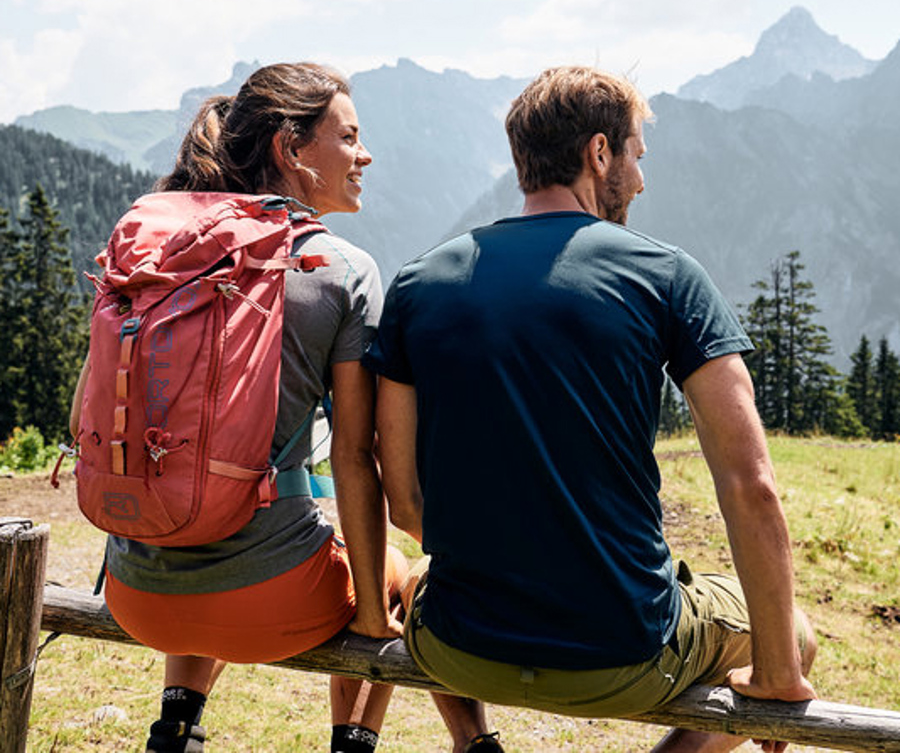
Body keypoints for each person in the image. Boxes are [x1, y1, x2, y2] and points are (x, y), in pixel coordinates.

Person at [363, 65, 817, 753]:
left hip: (459, 646)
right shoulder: (666, 276)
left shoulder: (419, 282)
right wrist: (781, 673)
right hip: (626, 654)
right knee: (800, 634)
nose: (640, 179)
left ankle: (473, 741)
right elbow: (751, 486)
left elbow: (405, 502)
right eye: (636, 155)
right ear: (598, 153)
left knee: (427, 571)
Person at [69, 62, 498, 753]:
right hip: (271, 605)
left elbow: (87, 409)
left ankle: (177, 724)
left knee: (207, 496)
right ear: (290, 149)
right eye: (350, 136)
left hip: (136, 594)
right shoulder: (339, 269)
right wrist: (369, 618)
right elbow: (359, 460)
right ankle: (354, 743)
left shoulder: (157, 246)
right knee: (394, 577)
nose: (366, 154)